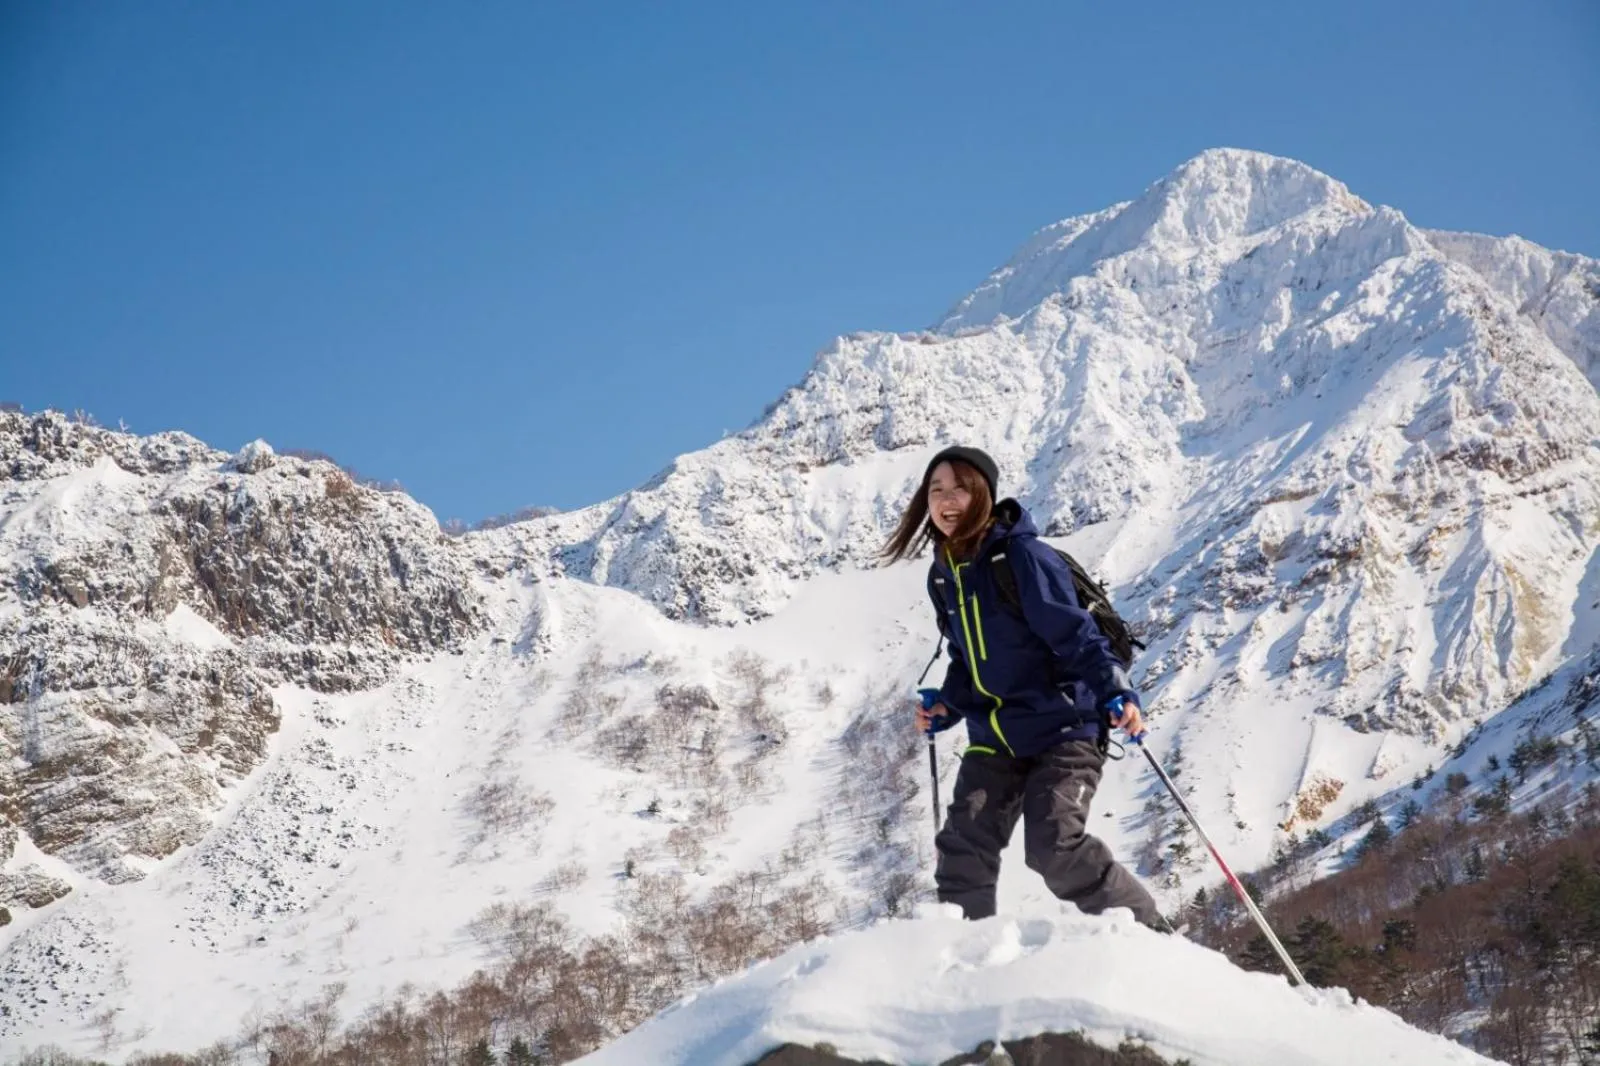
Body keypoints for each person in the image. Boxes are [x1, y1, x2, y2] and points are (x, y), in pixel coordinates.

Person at [881, 444, 1162, 928]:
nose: (947, 500)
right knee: (962, 848)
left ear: (985, 495)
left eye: (961, 488)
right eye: (936, 490)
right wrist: (947, 705)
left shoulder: (1021, 557)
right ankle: (963, 966)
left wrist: (1117, 689)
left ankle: (1153, 939)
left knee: (1056, 848)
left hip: (1064, 729)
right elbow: (968, 657)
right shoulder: (944, 574)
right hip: (995, 737)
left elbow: (1078, 635)